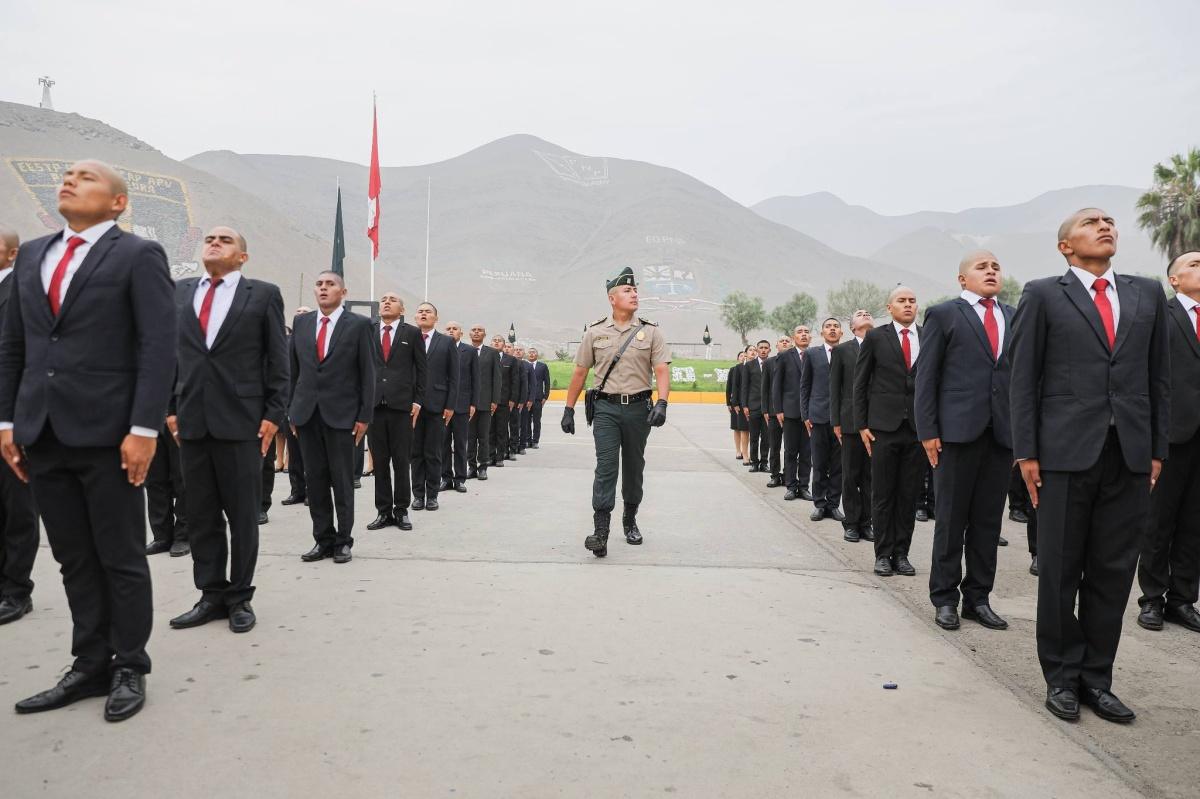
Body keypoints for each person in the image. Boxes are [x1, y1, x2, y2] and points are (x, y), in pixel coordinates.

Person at [0, 160, 176, 722]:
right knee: (73, 556)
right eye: (67, 175)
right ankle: (88, 662)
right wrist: (7, 423)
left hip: (110, 434)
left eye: (87, 177)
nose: (70, 180)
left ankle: (129, 663)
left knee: (119, 555)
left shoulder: (136, 255)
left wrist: (143, 429)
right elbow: (14, 348)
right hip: (42, 433)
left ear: (118, 202)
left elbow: (157, 346)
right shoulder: (32, 254)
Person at [1010, 208, 1169, 724]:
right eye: (1090, 222)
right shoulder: (1042, 293)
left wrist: (1156, 449)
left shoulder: (1146, 293)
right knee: (1058, 568)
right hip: (1062, 454)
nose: (1105, 226)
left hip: (1128, 454)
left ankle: (1097, 679)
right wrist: (1027, 452)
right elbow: (1023, 378)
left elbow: (1158, 379)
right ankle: (1061, 676)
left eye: (1109, 221)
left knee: (1113, 570)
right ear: (1065, 246)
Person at [166, 226, 288, 634]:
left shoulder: (263, 294)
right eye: (210, 239)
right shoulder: (180, 292)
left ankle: (239, 597)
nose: (214, 243)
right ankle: (210, 594)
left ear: (242, 257)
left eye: (226, 240)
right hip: (192, 422)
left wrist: (273, 413)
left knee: (241, 514)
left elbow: (277, 360)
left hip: (243, 422)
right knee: (201, 514)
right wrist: (169, 409)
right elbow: (170, 356)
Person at [915, 251, 1015, 632]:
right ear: (962, 279)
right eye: (981, 267)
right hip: (956, 434)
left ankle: (978, 598)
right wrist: (928, 431)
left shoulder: (1013, 315)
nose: (991, 271)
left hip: (1001, 434)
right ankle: (944, 598)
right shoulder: (944, 315)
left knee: (989, 522)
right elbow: (927, 377)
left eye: (996, 266)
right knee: (951, 519)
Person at [562, 267, 671, 557]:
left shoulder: (651, 331)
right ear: (612, 298)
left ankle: (630, 519)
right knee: (606, 467)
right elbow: (580, 372)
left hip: (639, 410)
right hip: (606, 409)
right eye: (627, 291)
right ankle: (600, 531)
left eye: (635, 290)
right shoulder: (595, 332)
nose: (634, 294)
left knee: (634, 468)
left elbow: (661, 369)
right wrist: (568, 409)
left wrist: (662, 402)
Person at [290, 271, 374, 564]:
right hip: (307, 414)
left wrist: (364, 416)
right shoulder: (301, 323)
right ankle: (322, 539)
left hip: (343, 416)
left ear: (343, 291)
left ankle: (343, 541)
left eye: (330, 284)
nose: (323, 288)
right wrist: (292, 410)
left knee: (341, 480)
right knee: (314, 480)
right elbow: (293, 371)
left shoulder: (360, 325)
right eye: (319, 284)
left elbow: (368, 373)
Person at [1136, 250, 1200, 634]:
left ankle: (1182, 599)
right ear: (1173, 280)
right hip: (1170, 434)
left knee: (1195, 522)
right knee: (1160, 521)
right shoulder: (1161, 316)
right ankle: (1152, 600)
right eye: (1194, 263)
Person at [855, 286, 924, 578]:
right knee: (883, 493)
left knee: (909, 495)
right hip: (883, 427)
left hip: (918, 429)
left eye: (912, 300)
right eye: (902, 301)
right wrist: (861, 425)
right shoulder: (875, 337)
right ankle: (883, 554)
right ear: (890, 307)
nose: (908, 305)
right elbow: (860, 382)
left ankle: (902, 553)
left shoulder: (928, 335)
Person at [0, 226, 38, 626]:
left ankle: (16, 590)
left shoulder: (23, 292)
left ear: (12, 255)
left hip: (13, 417)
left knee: (17, 509)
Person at [366, 292, 425, 531]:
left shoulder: (411, 333)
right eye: (383, 299)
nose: (387, 302)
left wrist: (418, 401)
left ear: (401, 309)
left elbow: (422, 370)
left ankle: (401, 511)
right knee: (379, 462)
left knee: (401, 461)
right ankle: (383, 512)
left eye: (393, 299)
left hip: (402, 408)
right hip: (374, 407)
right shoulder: (368, 330)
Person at [830, 310, 874, 542]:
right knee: (850, 475)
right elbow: (834, 389)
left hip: (877, 421)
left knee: (871, 477)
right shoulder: (842, 351)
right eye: (860, 314)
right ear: (852, 326)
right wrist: (836, 421)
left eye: (868, 313)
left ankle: (867, 523)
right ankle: (851, 523)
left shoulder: (882, 345)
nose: (865, 314)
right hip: (849, 422)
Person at [411, 302, 458, 511]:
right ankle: (417, 495)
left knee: (433, 452)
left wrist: (450, 405)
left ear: (435, 318)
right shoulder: (408, 338)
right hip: (411, 406)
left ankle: (432, 495)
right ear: (415, 317)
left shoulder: (446, 342)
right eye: (420, 311)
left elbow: (454, 377)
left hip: (437, 405)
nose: (423, 314)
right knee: (415, 453)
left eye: (428, 311)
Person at [801, 318, 845, 523]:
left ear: (842, 332)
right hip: (817, 416)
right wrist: (805, 414)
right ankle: (819, 504)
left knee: (838, 464)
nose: (832, 329)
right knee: (819, 462)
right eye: (828, 326)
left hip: (842, 419)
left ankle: (833, 504)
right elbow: (805, 385)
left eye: (836, 326)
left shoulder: (848, 352)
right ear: (822, 332)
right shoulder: (811, 354)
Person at [440, 321, 478, 494]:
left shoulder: (469, 351)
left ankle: (460, 478)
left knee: (461, 443)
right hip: (441, 405)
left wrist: (473, 403)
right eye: (448, 329)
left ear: (460, 333)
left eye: (454, 329)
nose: (451, 331)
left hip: (462, 405)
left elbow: (475, 379)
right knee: (443, 444)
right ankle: (445, 478)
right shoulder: (439, 348)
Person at [144, 419, 188, 556]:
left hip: (178, 416)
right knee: (154, 479)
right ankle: (162, 536)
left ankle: (184, 536)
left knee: (182, 478)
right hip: (151, 419)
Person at [280, 306, 310, 507]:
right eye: (297, 312)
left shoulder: (317, 340)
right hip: (291, 403)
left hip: (311, 403)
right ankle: (296, 491)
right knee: (294, 450)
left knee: (310, 454)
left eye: (305, 313)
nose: (300, 314)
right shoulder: (288, 343)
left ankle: (310, 491)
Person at [467, 325, 501, 479]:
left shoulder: (492, 353)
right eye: (473, 330)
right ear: (469, 334)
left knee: (483, 436)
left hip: (485, 402)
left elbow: (497, 378)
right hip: (466, 403)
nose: (476, 332)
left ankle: (483, 467)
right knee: (470, 437)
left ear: (484, 334)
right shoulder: (463, 351)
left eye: (479, 330)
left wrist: (494, 400)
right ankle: (471, 467)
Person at [761, 337, 790, 487]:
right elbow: (765, 388)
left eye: (787, 340)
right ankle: (774, 475)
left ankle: (788, 475)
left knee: (790, 448)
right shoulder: (768, 363)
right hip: (772, 412)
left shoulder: (797, 360)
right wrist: (765, 409)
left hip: (792, 412)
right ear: (776, 345)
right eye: (782, 341)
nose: (785, 342)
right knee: (775, 445)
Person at [741, 340, 771, 472]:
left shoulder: (773, 363)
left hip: (769, 408)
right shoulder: (749, 365)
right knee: (753, 436)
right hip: (753, 406)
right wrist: (745, 405)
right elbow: (745, 386)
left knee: (766, 437)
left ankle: (764, 462)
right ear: (757, 350)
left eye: (766, 348)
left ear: (769, 350)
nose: (763, 350)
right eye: (761, 348)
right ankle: (754, 462)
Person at [491, 334, 516, 467]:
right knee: (489, 430)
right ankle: (489, 456)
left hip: (504, 401)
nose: (496, 343)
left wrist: (512, 399)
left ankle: (500, 456)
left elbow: (514, 382)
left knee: (501, 430)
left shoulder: (511, 360)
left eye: (499, 341)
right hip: (487, 401)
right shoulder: (485, 357)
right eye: (494, 341)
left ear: (503, 344)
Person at [526, 348, 550, 448]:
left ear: (537, 354)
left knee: (536, 421)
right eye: (530, 353)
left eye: (533, 352)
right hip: (526, 399)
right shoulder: (524, 365)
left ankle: (535, 441)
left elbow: (547, 382)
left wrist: (545, 396)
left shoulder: (542, 366)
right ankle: (527, 440)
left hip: (537, 399)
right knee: (526, 421)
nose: (531, 354)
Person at [726, 352, 746, 460]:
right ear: (738, 358)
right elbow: (729, 386)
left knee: (746, 429)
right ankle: (738, 450)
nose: (743, 357)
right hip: (735, 403)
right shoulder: (734, 370)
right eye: (741, 356)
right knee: (736, 428)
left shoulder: (750, 368)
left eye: (745, 355)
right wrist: (729, 403)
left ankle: (745, 450)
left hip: (746, 403)